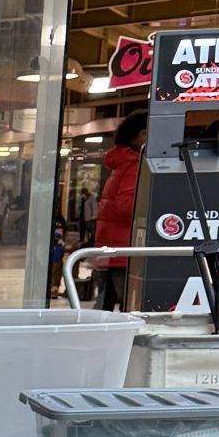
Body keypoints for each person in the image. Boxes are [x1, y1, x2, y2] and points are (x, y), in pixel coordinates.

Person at [93, 109, 147, 309]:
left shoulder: (122, 162)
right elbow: (126, 206)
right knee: (129, 306)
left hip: (111, 246)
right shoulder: (133, 164)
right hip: (123, 249)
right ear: (142, 135)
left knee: (104, 304)